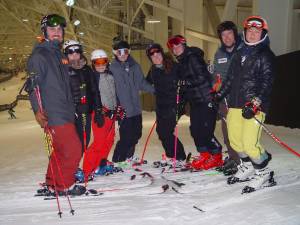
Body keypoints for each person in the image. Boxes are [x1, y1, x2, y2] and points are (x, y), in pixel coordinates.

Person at [25, 14, 85, 196]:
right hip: (54, 112)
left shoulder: (58, 54)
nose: (57, 32)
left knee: (60, 150)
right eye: (52, 29)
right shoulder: (40, 56)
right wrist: (37, 111)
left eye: (59, 29)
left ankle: (53, 182)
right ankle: (64, 185)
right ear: (44, 32)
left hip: (66, 110)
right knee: (73, 149)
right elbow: (33, 87)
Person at [215, 16, 276, 193]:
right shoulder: (239, 53)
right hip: (235, 105)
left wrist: (255, 103)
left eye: (257, 32)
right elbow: (230, 79)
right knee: (235, 142)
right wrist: (219, 95)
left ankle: (263, 172)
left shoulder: (266, 55)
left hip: (253, 107)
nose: (253, 34)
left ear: (263, 34)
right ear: (245, 32)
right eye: (250, 31)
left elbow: (267, 83)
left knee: (250, 144)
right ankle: (248, 167)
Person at [166, 35, 223, 170]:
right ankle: (205, 154)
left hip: (206, 99)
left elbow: (202, 77)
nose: (175, 49)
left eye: (178, 46)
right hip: (195, 101)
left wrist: (186, 82)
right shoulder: (182, 62)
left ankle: (216, 156)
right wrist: (180, 99)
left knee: (205, 131)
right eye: (173, 48)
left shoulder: (192, 57)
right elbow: (185, 86)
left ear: (184, 45)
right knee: (195, 130)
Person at [109, 40, 155, 163]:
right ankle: (118, 160)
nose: (123, 54)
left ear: (129, 52)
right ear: (115, 53)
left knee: (136, 135)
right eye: (119, 52)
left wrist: (156, 91)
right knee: (126, 138)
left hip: (136, 109)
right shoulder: (112, 68)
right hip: (124, 110)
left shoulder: (135, 66)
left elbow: (142, 83)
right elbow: (108, 89)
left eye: (125, 51)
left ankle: (129, 157)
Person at [145, 43, 187, 167]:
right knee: (161, 131)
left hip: (174, 105)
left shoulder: (173, 66)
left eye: (158, 54)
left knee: (166, 132)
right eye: (153, 56)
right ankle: (171, 155)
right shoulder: (153, 70)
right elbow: (146, 82)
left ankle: (180, 156)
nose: (156, 57)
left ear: (162, 53)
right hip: (161, 106)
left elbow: (186, 81)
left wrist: (182, 101)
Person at [83, 49, 121, 179]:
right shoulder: (92, 77)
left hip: (111, 113)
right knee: (99, 142)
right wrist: (99, 111)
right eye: (97, 63)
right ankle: (87, 170)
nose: (100, 65)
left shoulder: (110, 75)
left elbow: (114, 93)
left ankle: (100, 164)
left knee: (109, 140)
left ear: (107, 62)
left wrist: (118, 107)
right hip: (100, 114)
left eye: (103, 62)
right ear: (93, 64)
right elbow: (93, 95)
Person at [63, 40, 103, 154]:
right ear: (66, 54)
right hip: (70, 114)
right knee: (70, 143)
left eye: (77, 50)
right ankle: (71, 168)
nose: (74, 54)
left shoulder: (87, 69)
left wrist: (98, 110)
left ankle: (77, 167)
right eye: (70, 51)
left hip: (85, 112)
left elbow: (95, 91)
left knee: (84, 141)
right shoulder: (62, 70)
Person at [212, 21, 242, 175]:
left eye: (229, 33)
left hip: (241, 99)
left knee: (241, 133)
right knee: (227, 133)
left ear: (235, 34)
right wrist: (215, 90)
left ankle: (246, 161)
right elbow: (216, 76)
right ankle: (234, 159)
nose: (227, 37)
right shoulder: (219, 54)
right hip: (225, 100)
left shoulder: (244, 50)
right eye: (224, 35)